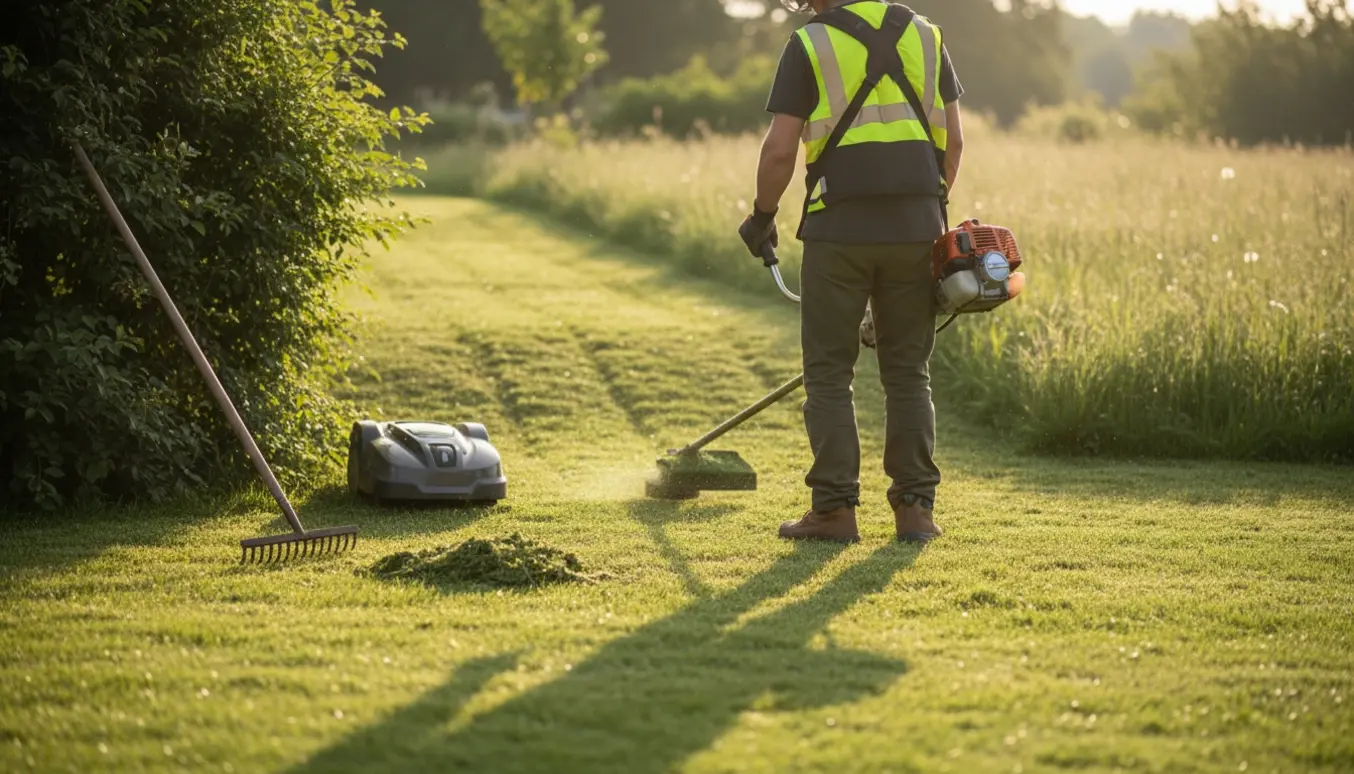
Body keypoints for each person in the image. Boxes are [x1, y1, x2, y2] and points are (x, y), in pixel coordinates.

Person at [737, 0, 965, 544]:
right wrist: (926, 211)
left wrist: (762, 216)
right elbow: (953, 143)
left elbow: (779, 151)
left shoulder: (809, 43)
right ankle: (915, 512)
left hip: (838, 229)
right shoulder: (928, 36)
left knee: (829, 373)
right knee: (908, 373)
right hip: (917, 230)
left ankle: (835, 511)